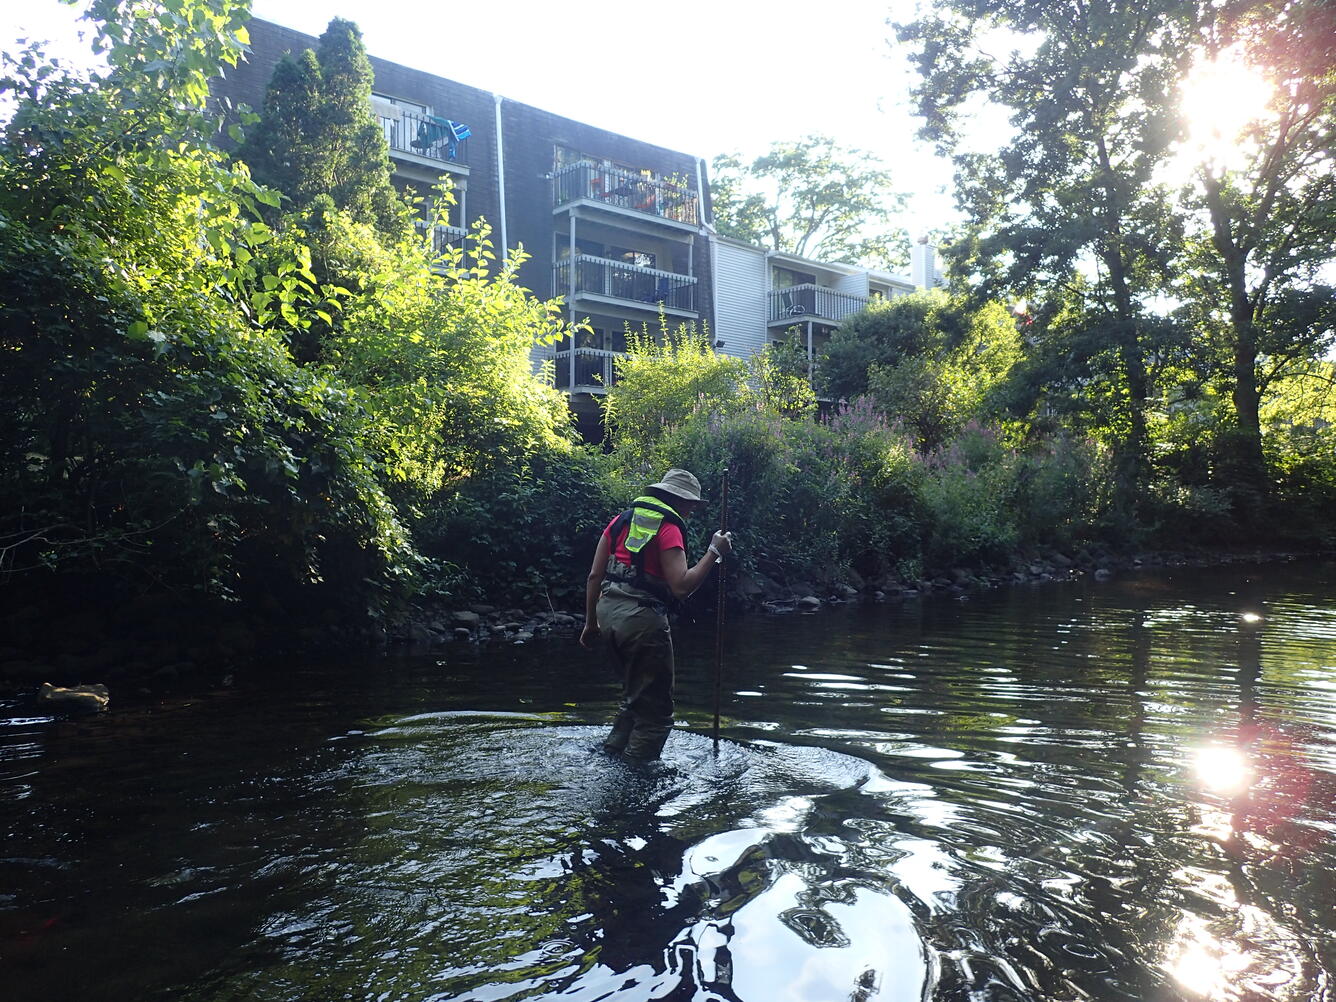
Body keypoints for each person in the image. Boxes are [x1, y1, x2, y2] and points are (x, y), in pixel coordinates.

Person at [580, 468, 733, 759]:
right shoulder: (668, 528)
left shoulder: (620, 521)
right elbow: (681, 586)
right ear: (678, 499)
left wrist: (591, 623)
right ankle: (636, 777)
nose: (692, 510)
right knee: (656, 716)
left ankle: (611, 757)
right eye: (691, 503)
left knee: (634, 698)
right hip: (642, 622)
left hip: (608, 615)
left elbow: (594, 576)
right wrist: (714, 551)